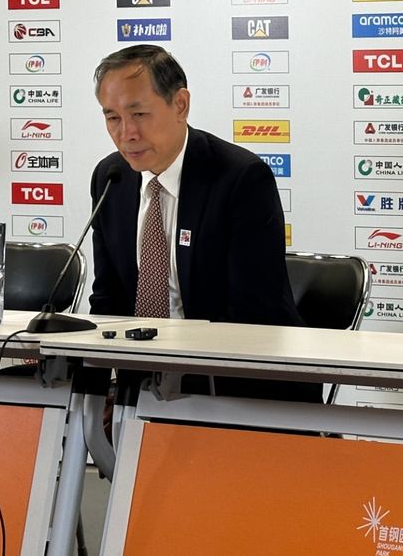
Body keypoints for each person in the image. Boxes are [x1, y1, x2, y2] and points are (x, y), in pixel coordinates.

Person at [89, 44, 321, 402]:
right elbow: (109, 301)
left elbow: (250, 315)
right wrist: (94, 394)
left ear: (180, 104)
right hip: (143, 386)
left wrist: (174, 388)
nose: (127, 133)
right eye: (113, 118)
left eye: (139, 114)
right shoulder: (110, 178)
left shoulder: (240, 178)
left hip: (238, 385)